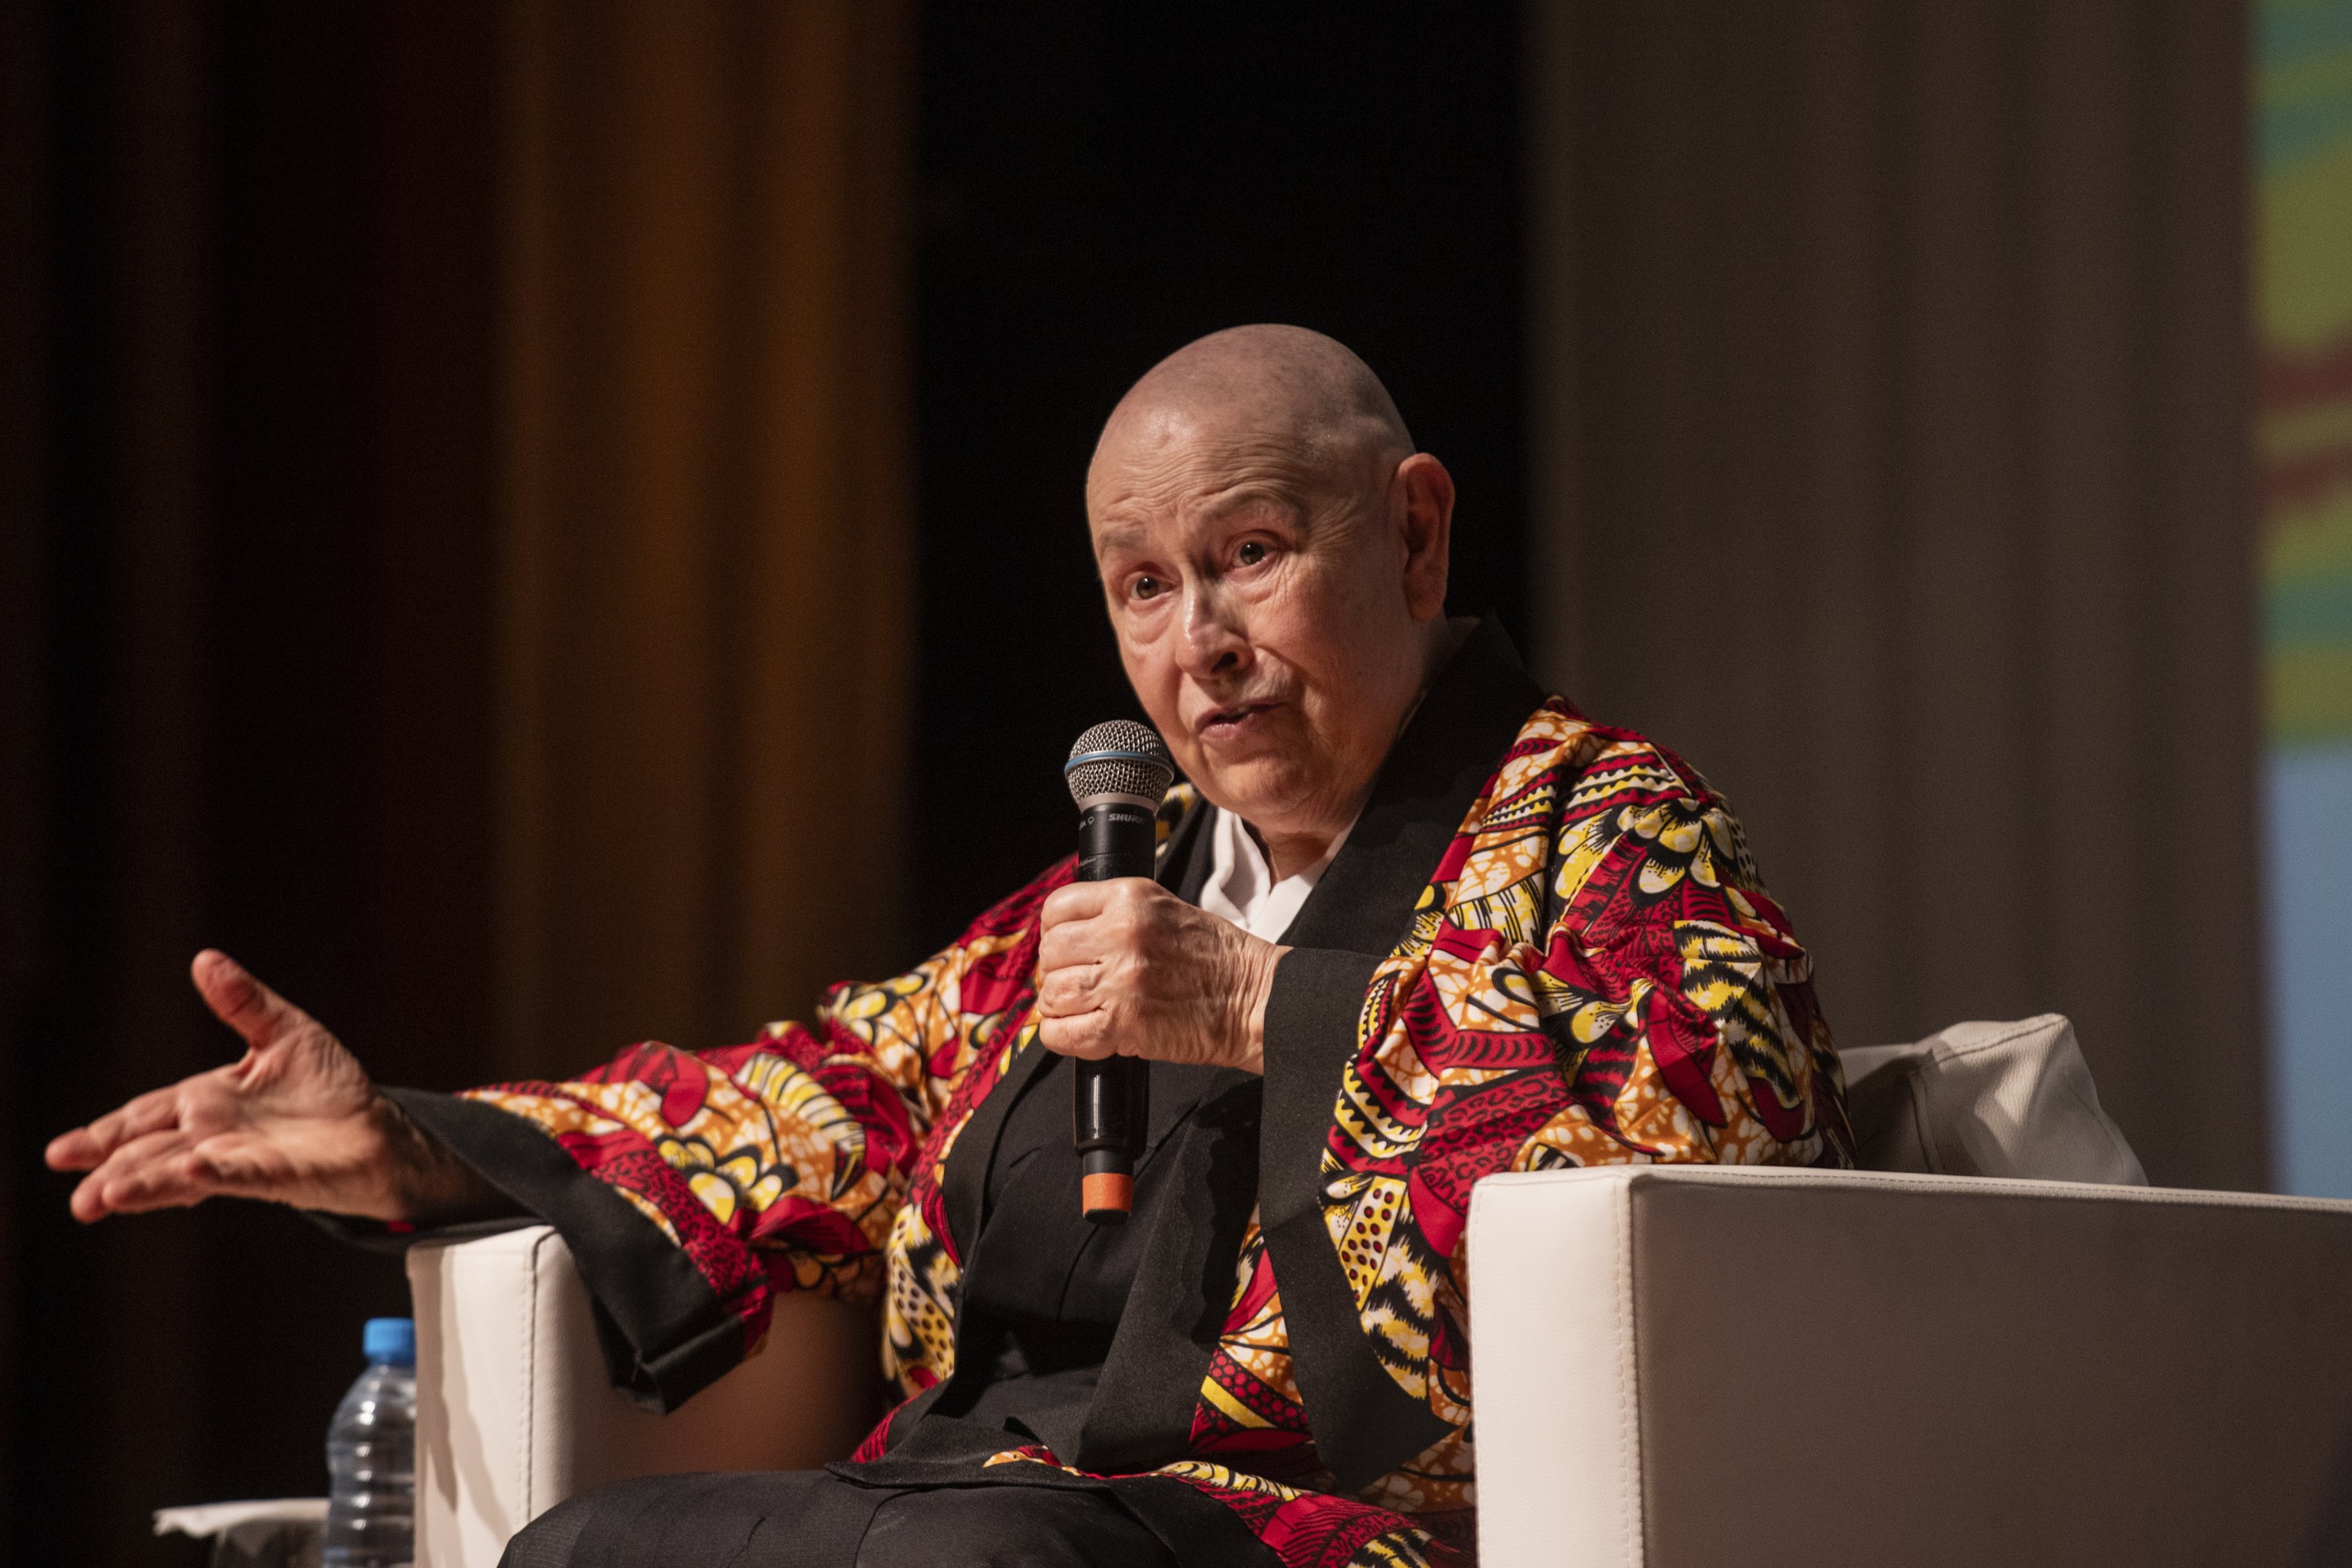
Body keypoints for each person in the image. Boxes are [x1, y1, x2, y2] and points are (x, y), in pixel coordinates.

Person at [49, 325, 1852, 1567]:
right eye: (1145, 586)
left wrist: (1270, 1006)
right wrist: (411, 1142)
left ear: (1415, 531)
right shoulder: (1098, 900)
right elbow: (797, 1102)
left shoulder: (1608, 831)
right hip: (990, 1497)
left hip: (1343, 1526)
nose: (1200, 642)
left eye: (1250, 553)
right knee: (589, 1545)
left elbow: (1707, 1167)